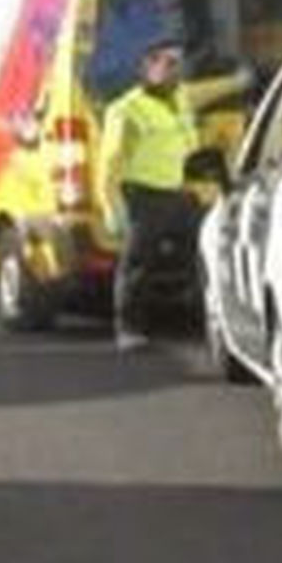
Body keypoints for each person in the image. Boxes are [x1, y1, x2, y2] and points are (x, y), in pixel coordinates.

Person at [96, 38, 205, 352]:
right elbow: (110, 162)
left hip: (176, 191)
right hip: (143, 196)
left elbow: (205, 92)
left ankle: (202, 317)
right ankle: (129, 329)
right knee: (137, 264)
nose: (175, 71)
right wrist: (110, 206)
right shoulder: (127, 109)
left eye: (178, 64)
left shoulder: (180, 98)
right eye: (167, 63)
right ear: (147, 67)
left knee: (203, 250)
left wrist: (238, 81)